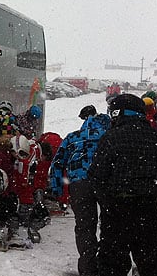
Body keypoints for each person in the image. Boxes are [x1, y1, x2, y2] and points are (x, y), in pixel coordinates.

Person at [88, 94, 157, 276]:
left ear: (118, 113)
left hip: (116, 211)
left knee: (112, 266)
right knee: (152, 264)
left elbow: (96, 174)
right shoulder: (156, 137)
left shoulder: (111, 137)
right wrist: (150, 184)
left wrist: (106, 198)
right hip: (148, 210)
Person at [50, 109, 111, 276]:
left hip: (78, 184)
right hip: (104, 183)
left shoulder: (72, 137)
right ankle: (108, 265)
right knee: (110, 223)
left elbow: (57, 163)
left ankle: (88, 267)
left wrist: (56, 187)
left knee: (85, 227)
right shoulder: (109, 137)